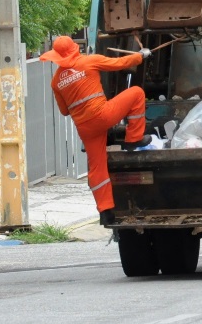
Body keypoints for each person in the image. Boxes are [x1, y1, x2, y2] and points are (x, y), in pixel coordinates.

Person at [41, 36, 152, 226]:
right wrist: (141, 56)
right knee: (136, 93)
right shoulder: (88, 61)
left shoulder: (56, 81)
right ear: (74, 49)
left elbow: (64, 111)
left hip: (85, 128)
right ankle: (133, 138)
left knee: (97, 168)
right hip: (103, 115)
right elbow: (120, 63)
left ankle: (105, 211)